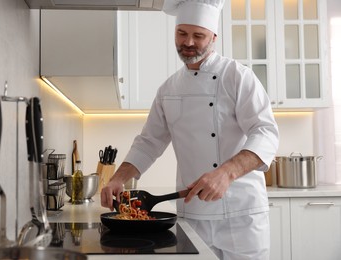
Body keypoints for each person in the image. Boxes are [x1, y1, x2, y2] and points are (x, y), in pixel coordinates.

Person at [101, 0, 279, 259]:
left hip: (242, 215)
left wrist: (225, 174)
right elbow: (149, 142)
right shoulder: (168, 89)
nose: (189, 43)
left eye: (199, 36)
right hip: (193, 212)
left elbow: (266, 132)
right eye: (182, 33)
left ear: (213, 37)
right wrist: (118, 178)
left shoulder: (238, 77)